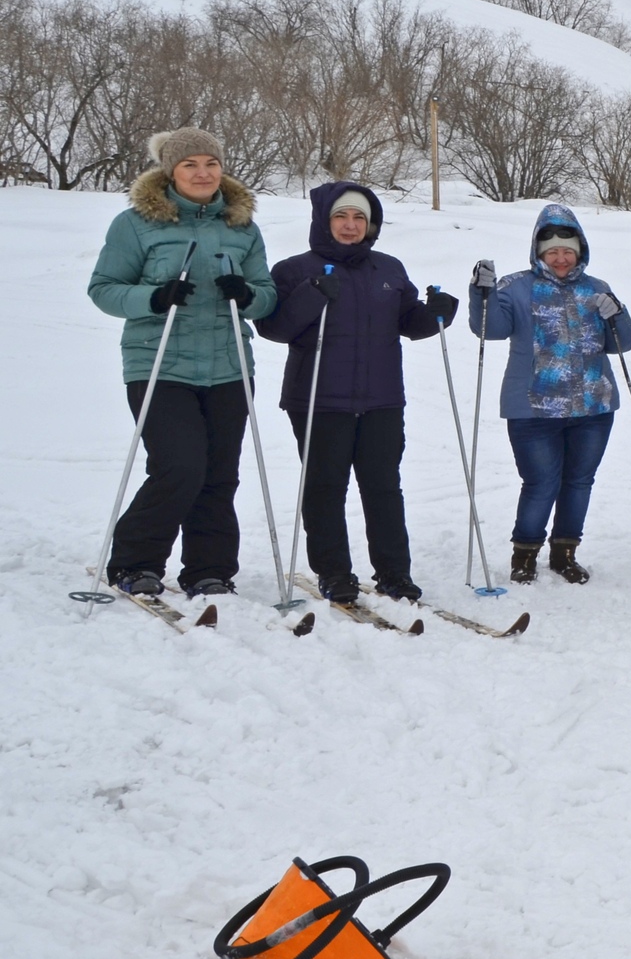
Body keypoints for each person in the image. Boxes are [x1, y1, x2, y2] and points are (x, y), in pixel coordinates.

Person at [85, 127, 278, 599]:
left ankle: (208, 570)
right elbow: (104, 288)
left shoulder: (241, 227)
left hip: (230, 366)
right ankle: (134, 562)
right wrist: (154, 296)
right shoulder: (135, 224)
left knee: (219, 473)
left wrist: (248, 296)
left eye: (210, 163)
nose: (202, 172)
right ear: (170, 170)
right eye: (190, 164)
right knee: (179, 468)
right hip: (159, 364)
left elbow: (267, 296)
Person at [257, 182, 456, 607]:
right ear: (325, 222)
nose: (350, 225)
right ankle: (334, 572)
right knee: (325, 486)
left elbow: (409, 322)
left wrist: (437, 315)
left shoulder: (389, 268)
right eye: (342, 217)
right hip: (317, 399)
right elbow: (274, 328)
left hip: (382, 398)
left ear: (371, 225)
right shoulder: (294, 269)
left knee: (383, 486)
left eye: (359, 218)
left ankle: (394, 574)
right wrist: (312, 295)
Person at [471, 204, 631, 585]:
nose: (561, 258)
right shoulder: (515, 287)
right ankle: (524, 555)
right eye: (552, 251)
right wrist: (482, 294)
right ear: (538, 252)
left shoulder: (597, 289)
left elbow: (622, 343)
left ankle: (564, 554)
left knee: (579, 481)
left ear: (579, 249)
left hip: (593, 405)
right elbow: (491, 329)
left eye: (567, 250)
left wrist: (618, 315)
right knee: (541, 483)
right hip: (533, 408)